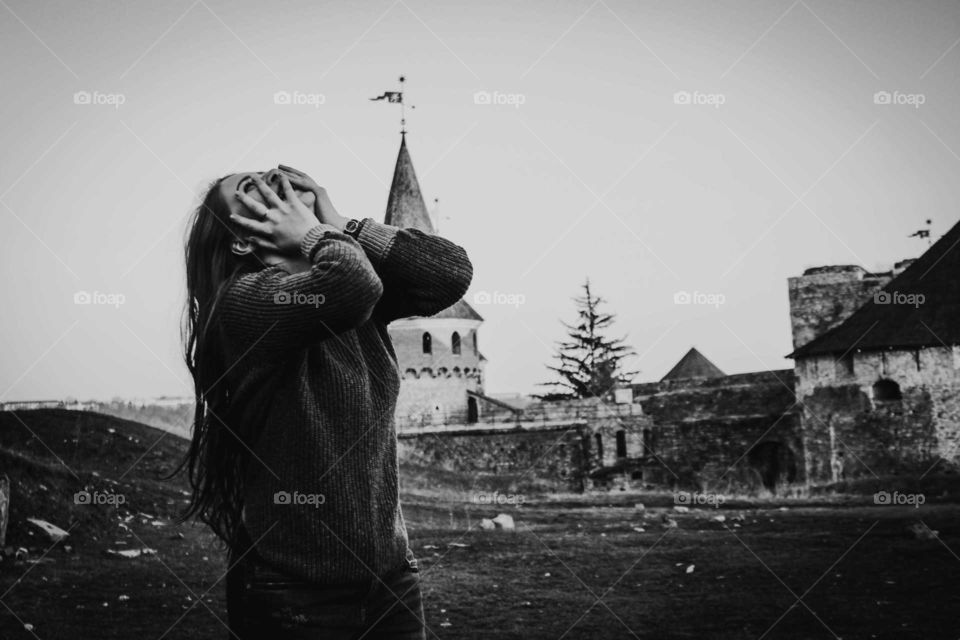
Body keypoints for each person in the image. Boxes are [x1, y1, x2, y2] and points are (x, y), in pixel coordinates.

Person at [171, 164, 473, 638]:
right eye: (252, 188)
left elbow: (449, 273)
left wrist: (341, 222)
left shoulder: (352, 283)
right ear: (242, 240)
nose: (276, 180)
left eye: (275, 174)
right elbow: (351, 287)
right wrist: (318, 234)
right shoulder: (244, 302)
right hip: (294, 589)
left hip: (390, 581)